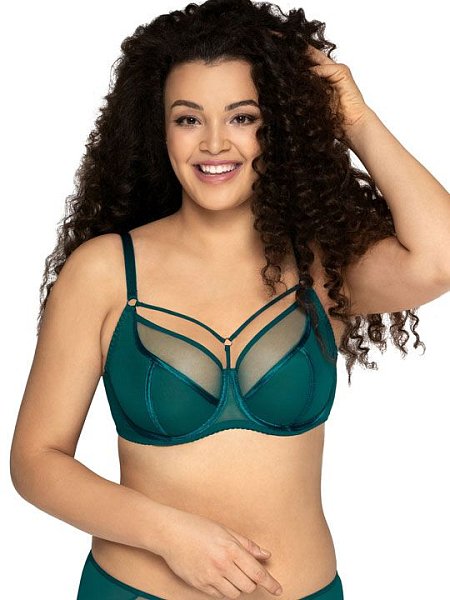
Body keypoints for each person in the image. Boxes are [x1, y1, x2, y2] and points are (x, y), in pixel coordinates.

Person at [9, 0, 450, 598]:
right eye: (188, 119)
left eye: (242, 117)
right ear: (159, 128)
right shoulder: (106, 271)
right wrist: (170, 536)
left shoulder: (322, 267)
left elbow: (440, 259)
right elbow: (36, 460)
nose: (214, 143)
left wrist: (354, 116)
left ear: (279, 126)